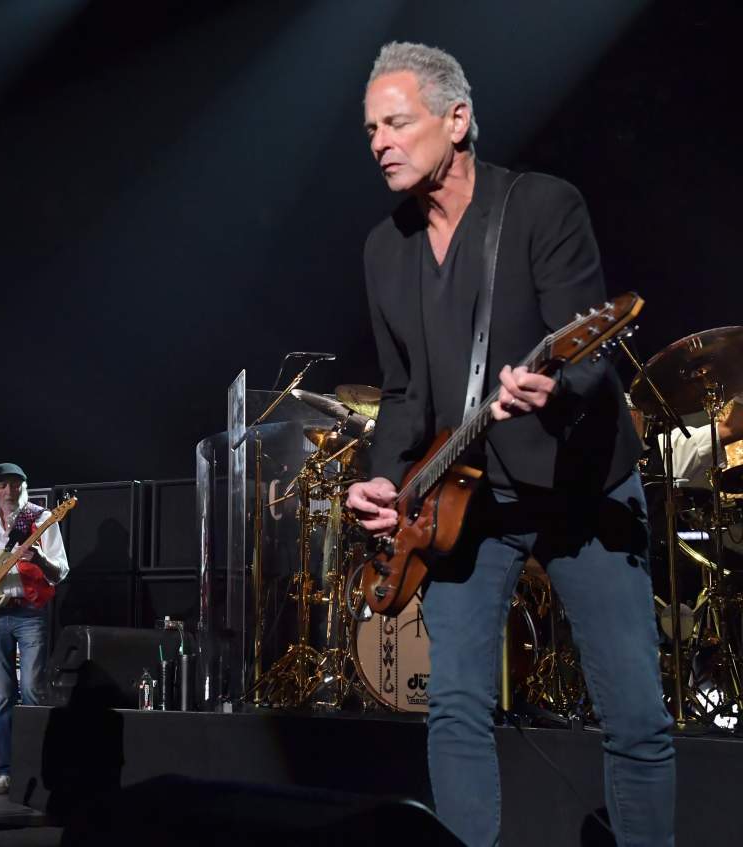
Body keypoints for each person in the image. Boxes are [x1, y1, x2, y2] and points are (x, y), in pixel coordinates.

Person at [345, 43, 673, 846]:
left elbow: (589, 354)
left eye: (396, 122)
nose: (380, 142)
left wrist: (555, 387)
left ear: (456, 120)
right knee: (454, 705)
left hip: (580, 485)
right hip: (468, 499)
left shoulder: (542, 206)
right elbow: (402, 393)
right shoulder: (383, 249)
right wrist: (385, 480)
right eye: (370, 131)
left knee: (632, 712)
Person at [0, 463, 68, 795]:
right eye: (3, 486)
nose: (10, 491)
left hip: (30, 611)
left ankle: (39, 769)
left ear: (24, 487)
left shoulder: (42, 518)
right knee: (4, 696)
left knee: (32, 692)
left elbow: (60, 570)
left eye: (16, 485)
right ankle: (6, 772)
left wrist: (38, 560)